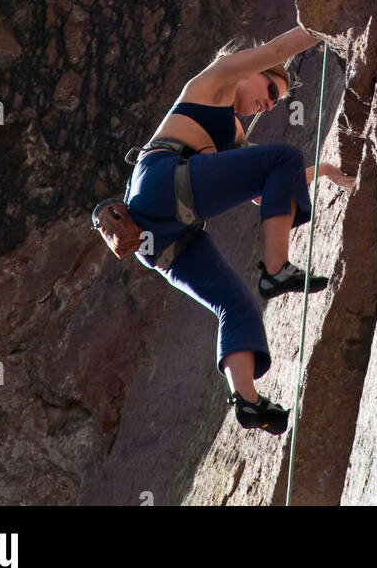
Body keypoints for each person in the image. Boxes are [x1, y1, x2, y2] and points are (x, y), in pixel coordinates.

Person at [121, 24, 356, 435]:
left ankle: (247, 402)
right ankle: (276, 268)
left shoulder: (233, 133)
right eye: (269, 90)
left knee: (237, 305)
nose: (268, 104)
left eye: (276, 103)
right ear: (252, 70)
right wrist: (326, 22)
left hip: (162, 237)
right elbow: (281, 48)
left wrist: (325, 170)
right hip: (160, 183)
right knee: (280, 157)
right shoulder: (217, 78)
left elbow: (269, 189)